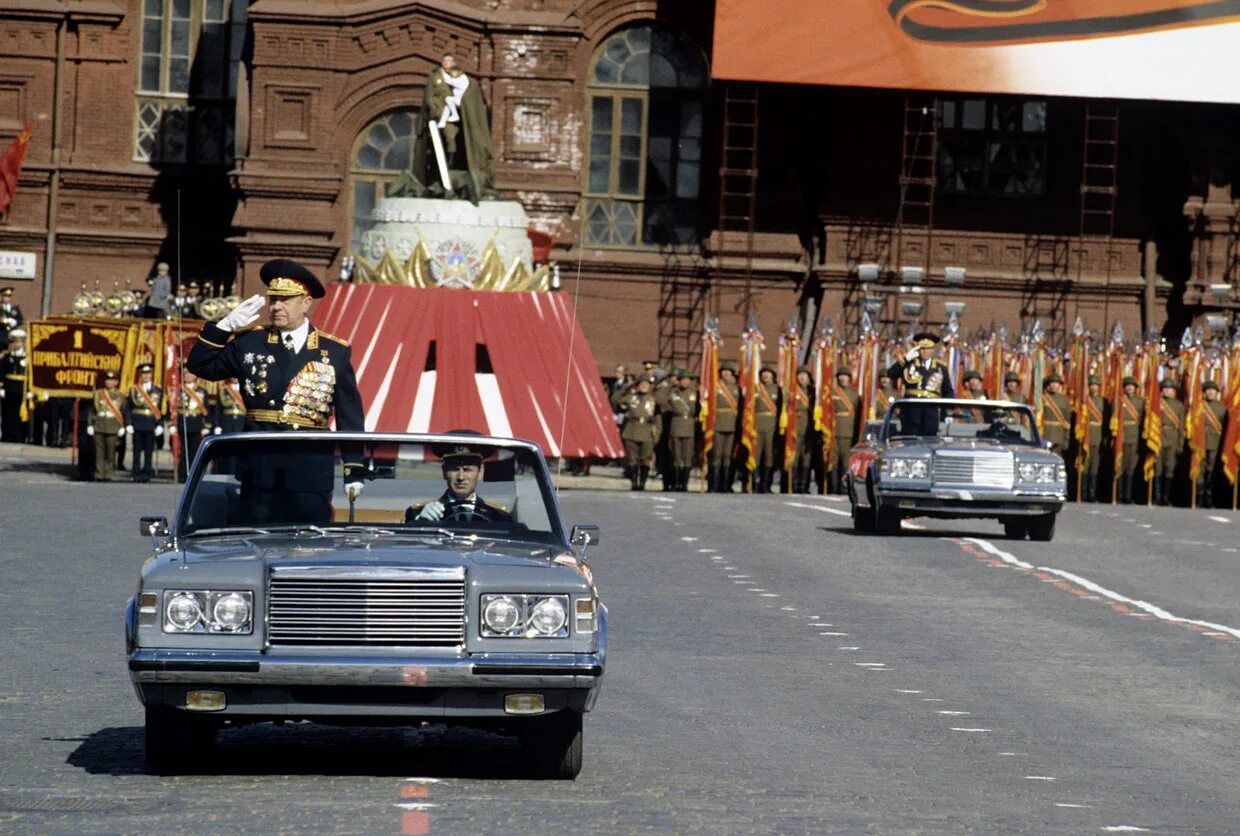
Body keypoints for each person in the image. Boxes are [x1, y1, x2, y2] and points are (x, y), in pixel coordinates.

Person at [186, 258, 368, 511]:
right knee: (257, 542)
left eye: (286, 300)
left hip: (309, 468)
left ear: (306, 303)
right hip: (260, 464)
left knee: (308, 545)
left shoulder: (333, 350)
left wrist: (354, 468)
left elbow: (350, 414)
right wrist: (224, 326)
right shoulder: (251, 342)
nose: (276, 307)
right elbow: (200, 366)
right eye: (273, 300)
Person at [414, 53, 497, 202]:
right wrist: (433, 110)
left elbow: (472, 97)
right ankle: (438, 180)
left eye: (450, 61)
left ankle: (462, 176)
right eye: (445, 60)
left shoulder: (463, 78)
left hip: (459, 119)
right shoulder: (435, 77)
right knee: (441, 145)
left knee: (457, 143)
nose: (447, 63)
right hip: (441, 116)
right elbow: (429, 96)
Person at [407, 439, 513, 523]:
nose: (461, 477)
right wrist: (420, 523)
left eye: (467, 469)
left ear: (480, 473)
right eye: (455, 469)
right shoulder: (419, 513)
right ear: (444, 472)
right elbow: (408, 547)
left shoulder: (499, 516)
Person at [888, 332, 953, 436]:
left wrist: (947, 412)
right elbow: (890, 374)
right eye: (922, 348)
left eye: (928, 349)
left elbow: (948, 391)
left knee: (929, 442)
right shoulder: (909, 364)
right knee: (909, 443)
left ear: (933, 350)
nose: (924, 351)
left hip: (930, 412)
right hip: (910, 412)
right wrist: (905, 360)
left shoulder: (941, 367)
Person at [614, 376, 657, 491]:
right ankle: (633, 482)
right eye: (642, 384)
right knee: (632, 458)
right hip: (632, 430)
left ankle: (642, 483)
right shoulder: (631, 398)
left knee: (645, 458)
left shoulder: (653, 398)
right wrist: (627, 387)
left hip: (647, 430)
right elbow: (615, 399)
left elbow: (661, 408)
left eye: (646, 384)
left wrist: (656, 431)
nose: (644, 386)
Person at [125, 363, 164, 482]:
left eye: (149, 373)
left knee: (149, 451)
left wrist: (160, 424)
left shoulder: (158, 389)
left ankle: (147, 473)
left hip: (151, 422)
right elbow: (128, 408)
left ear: (152, 374)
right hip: (137, 421)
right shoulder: (134, 389)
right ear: (141, 375)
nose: (146, 376)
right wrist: (128, 423)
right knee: (136, 450)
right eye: (144, 374)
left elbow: (162, 408)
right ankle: (136, 473)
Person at [172, 370, 212, 480]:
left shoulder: (201, 390)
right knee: (183, 450)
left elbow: (206, 409)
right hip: (182, 422)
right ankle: (182, 474)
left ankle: (192, 474)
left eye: (190, 374)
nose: (188, 376)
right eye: (186, 374)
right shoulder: (177, 390)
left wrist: (207, 425)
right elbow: (172, 407)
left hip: (196, 423)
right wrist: (172, 424)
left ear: (195, 376)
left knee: (194, 451)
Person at [89, 370, 128, 482]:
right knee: (99, 452)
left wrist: (122, 427)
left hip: (113, 425)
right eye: (107, 379)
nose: (109, 382)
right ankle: (99, 473)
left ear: (116, 382)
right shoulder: (98, 393)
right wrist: (90, 424)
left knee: (111, 452)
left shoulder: (120, 396)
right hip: (99, 424)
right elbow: (92, 410)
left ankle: (109, 473)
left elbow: (124, 412)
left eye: (112, 380)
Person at [708, 362, 740, 492]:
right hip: (718, 424)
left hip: (731, 425)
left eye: (729, 371)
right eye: (724, 371)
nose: (726, 373)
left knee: (727, 455)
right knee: (716, 455)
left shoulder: (736, 388)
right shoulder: (715, 387)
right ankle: (713, 485)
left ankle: (725, 484)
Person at [665, 370, 698, 492]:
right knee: (676, 456)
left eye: (688, 379)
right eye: (683, 379)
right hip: (676, 426)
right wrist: (668, 386)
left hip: (689, 426)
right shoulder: (673, 393)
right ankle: (676, 483)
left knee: (688, 457)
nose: (685, 382)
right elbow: (661, 401)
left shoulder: (695, 393)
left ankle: (684, 484)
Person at [751, 364, 781, 493]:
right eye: (763, 373)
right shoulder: (755, 389)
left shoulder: (778, 390)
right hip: (756, 425)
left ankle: (766, 484)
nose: (766, 375)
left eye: (768, 373)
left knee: (769, 455)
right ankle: (754, 484)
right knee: (756, 455)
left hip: (771, 426)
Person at [1154, 377, 1184, 507]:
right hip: (1158, 436)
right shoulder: (1157, 403)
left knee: (1169, 467)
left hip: (1173, 438)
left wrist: (1180, 443)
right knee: (1158, 467)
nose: (1167, 391)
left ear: (1174, 391)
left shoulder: (1179, 406)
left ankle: (1166, 496)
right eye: (1165, 388)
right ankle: (1157, 496)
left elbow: (1181, 427)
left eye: (1170, 389)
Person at [829, 367, 860, 494]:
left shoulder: (854, 394)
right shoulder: (833, 392)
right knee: (833, 460)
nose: (842, 378)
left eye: (845, 376)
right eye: (840, 376)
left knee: (846, 460)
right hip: (834, 430)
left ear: (849, 378)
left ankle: (844, 487)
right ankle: (833, 487)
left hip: (848, 430)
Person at [1198, 379, 1227, 508]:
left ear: (1216, 393)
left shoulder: (1222, 408)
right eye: (1207, 390)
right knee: (1200, 469)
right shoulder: (1199, 407)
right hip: (1200, 442)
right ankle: (1199, 495)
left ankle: (1209, 497)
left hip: (1215, 443)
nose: (1210, 393)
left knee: (1211, 470)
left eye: (1212, 390)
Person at [1080, 375, 1108, 502]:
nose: (1093, 387)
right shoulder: (1084, 400)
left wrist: (1105, 438)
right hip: (1086, 433)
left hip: (1097, 435)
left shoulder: (1103, 401)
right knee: (1085, 464)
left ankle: (1092, 493)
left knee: (1094, 465)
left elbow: (1106, 420)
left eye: (1096, 385)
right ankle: (1083, 493)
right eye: (1091, 385)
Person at [1116, 376, 1144, 504]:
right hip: (1121, 436)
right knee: (1120, 465)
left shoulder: (1140, 402)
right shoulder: (1119, 401)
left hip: (1134, 437)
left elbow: (1143, 421)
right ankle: (1119, 494)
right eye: (1127, 385)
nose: (1129, 387)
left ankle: (1128, 495)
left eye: (1132, 385)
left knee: (1131, 466)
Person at [791, 366, 816, 494]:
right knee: (795, 456)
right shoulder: (792, 390)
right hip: (795, 427)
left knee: (806, 457)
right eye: (799, 375)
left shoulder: (813, 391)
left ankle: (804, 485)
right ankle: (793, 484)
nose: (801, 377)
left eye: (804, 375)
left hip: (809, 428)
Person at [1, 328, 28, 443]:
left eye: (15, 342)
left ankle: (19, 437)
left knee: (20, 415)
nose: (13, 344)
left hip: (22, 389)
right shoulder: (7, 356)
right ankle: (7, 435)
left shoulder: (27, 357)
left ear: (21, 342)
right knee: (7, 413)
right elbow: (1, 371)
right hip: (9, 388)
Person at [1040, 374, 1071, 458]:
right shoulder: (1043, 398)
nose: (1053, 385)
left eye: (1056, 383)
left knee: (1057, 458)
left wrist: (1066, 438)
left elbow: (1067, 421)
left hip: (1059, 434)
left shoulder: (1065, 400)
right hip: (1045, 434)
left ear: (1059, 385)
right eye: (1051, 383)